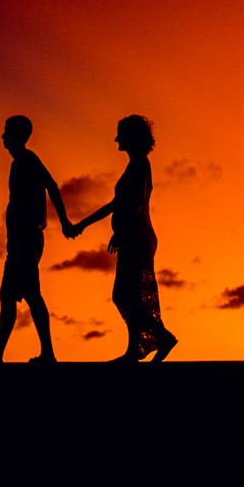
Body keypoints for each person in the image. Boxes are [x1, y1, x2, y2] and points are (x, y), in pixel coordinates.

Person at [70, 115, 177, 362]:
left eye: (121, 134)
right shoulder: (134, 165)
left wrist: (121, 231)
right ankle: (134, 350)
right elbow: (115, 204)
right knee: (128, 294)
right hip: (133, 235)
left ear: (132, 137)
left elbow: (137, 201)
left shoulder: (140, 164)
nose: (117, 138)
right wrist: (83, 224)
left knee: (124, 294)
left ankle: (162, 337)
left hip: (137, 236)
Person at [0, 116, 75, 363]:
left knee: (29, 293)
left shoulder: (27, 159)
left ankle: (46, 355)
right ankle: (0, 355)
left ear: (17, 135)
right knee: (9, 294)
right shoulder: (20, 162)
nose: (2, 137)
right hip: (20, 237)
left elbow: (52, 186)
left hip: (26, 237)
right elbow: (50, 186)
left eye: (6, 132)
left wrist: (64, 221)